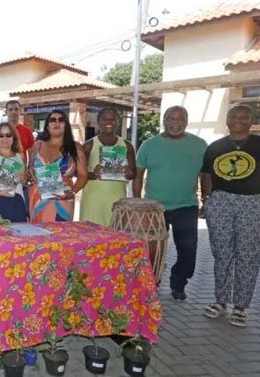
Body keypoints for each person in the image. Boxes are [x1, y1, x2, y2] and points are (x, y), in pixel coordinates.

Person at [133, 106, 207, 301]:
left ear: (186, 121)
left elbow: (205, 175)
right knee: (153, 250)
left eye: (180, 119)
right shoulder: (149, 145)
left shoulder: (200, 145)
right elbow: (138, 176)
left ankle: (178, 282)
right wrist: (138, 202)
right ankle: (152, 283)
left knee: (188, 249)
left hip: (186, 206)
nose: (175, 123)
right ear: (164, 121)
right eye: (171, 118)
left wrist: (206, 200)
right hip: (154, 208)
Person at [201, 104, 260, 327]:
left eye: (244, 117)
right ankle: (221, 300)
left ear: (252, 121)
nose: (238, 120)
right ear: (227, 120)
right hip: (221, 200)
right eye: (234, 116)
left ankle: (241, 307)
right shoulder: (216, 147)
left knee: (248, 254)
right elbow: (206, 175)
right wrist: (207, 200)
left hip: (252, 202)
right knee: (222, 253)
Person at [79, 107, 136, 226]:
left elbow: (133, 174)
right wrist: (93, 174)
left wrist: (128, 173)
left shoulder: (127, 146)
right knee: (91, 233)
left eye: (113, 119)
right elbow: (78, 173)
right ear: (99, 122)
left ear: (118, 122)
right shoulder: (89, 145)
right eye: (105, 119)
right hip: (93, 200)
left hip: (117, 199)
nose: (109, 122)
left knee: (115, 233)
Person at [28, 110, 88, 222]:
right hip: (38, 197)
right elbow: (30, 168)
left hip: (63, 198)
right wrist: (30, 174)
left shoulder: (75, 147)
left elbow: (83, 175)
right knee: (36, 231)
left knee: (60, 231)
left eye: (61, 120)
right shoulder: (38, 145)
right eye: (52, 120)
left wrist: (72, 192)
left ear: (66, 125)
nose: (57, 123)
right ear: (47, 125)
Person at [5, 100, 35, 164]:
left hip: (21, 167)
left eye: (16, 109)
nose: (13, 112)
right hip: (1, 167)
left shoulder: (27, 131)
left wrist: (30, 166)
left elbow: (31, 151)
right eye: (10, 109)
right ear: (6, 112)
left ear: (20, 111)